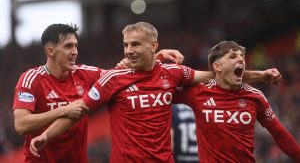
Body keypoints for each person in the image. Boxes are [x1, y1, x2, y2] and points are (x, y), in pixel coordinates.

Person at [29, 22, 282, 162]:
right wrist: (46, 136)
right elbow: (78, 110)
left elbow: (219, 75)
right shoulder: (112, 79)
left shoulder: (172, 74)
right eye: (126, 45)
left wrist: (259, 75)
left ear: (154, 46)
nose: (128, 50)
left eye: (135, 44)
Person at [13, 23, 185, 163]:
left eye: (75, 46)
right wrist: (64, 110)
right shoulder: (31, 79)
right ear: (50, 51)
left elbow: (122, 76)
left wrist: (156, 56)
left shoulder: (85, 74)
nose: (75, 52)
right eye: (68, 47)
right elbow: (21, 125)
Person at [174, 41, 300, 162]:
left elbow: (280, 135)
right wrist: (158, 55)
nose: (241, 59)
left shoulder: (255, 97)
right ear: (217, 66)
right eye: (233, 56)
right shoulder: (198, 92)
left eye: (242, 56)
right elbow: (161, 89)